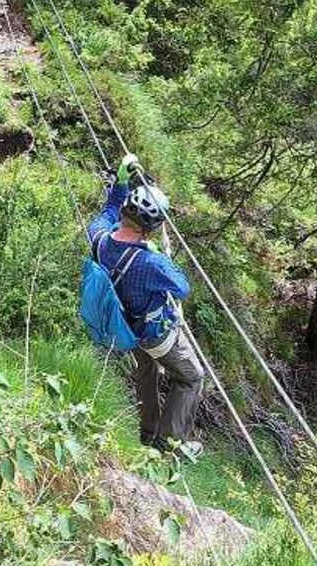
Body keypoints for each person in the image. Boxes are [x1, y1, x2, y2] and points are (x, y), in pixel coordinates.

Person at [88, 154, 204, 455]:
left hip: (124, 326)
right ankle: (170, 441)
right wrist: (154, 251)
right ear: (150, 229)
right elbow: (182, 286)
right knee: (192, 377)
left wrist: (122, 183)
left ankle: (148, 432)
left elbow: (108, 210)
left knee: (147, 370)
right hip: (155, 333)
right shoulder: (150, 262)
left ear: (126, 213)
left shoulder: (99, 237)